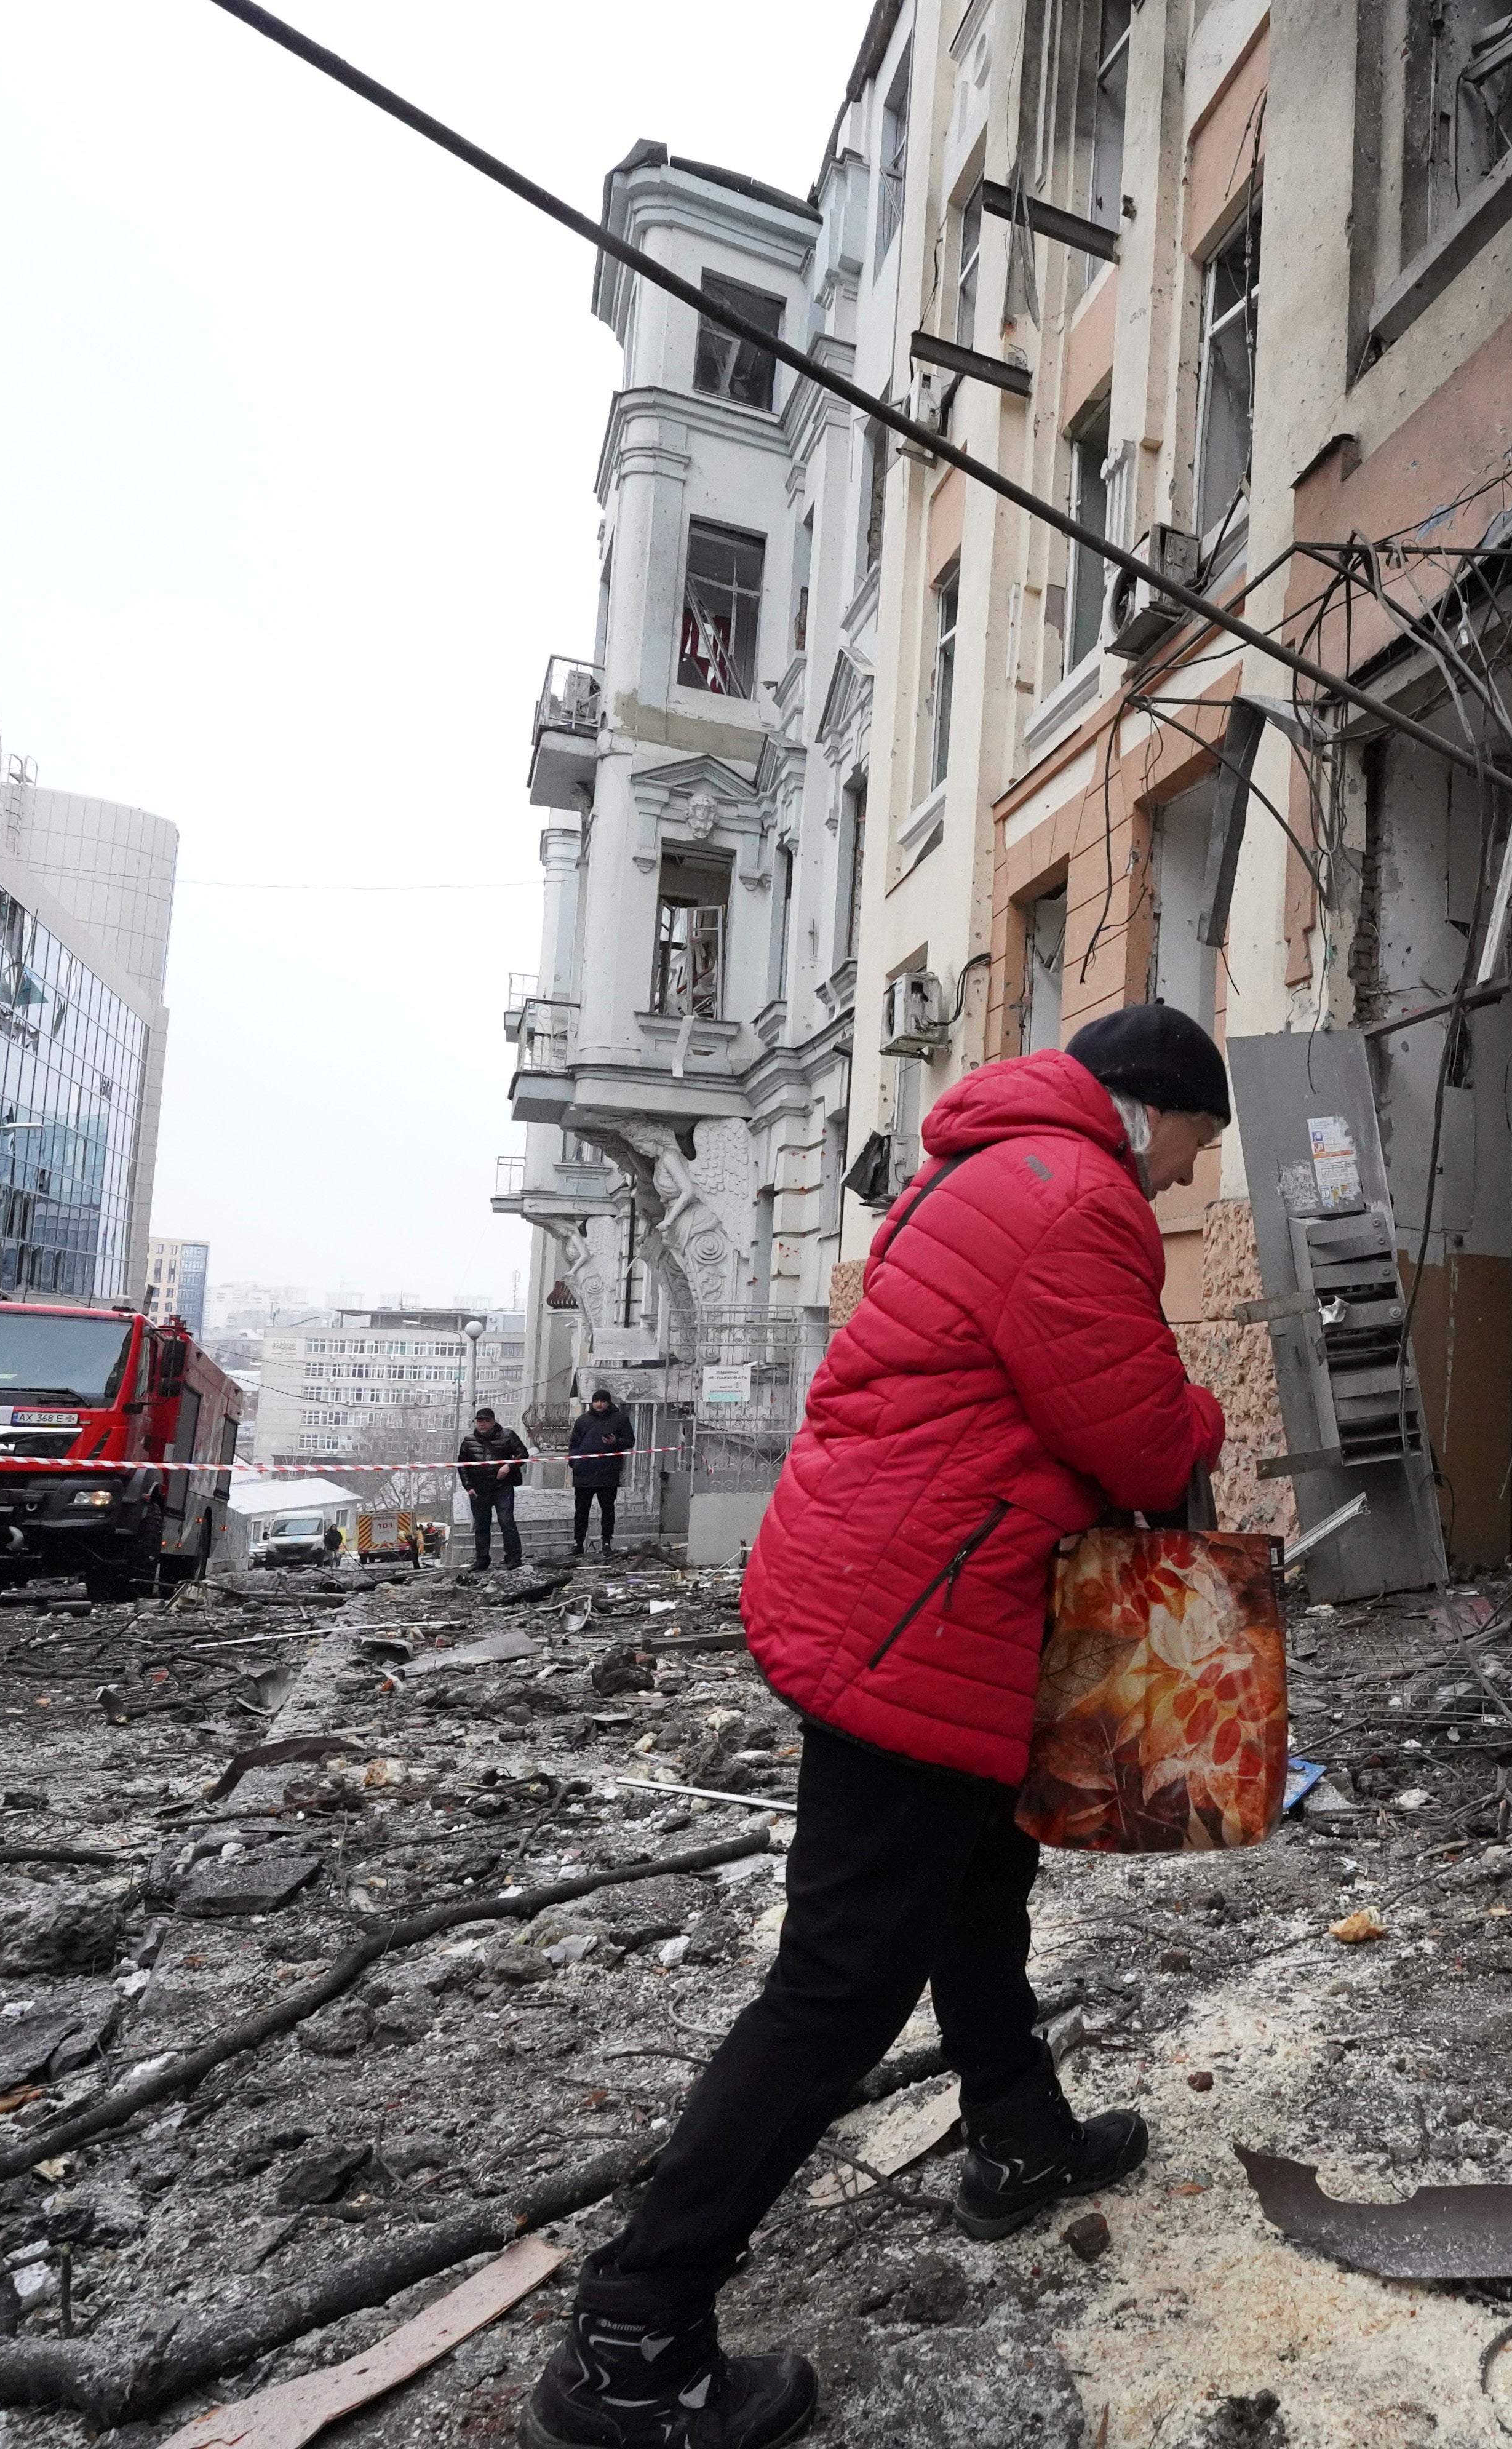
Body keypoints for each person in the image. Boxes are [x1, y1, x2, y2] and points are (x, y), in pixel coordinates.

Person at [522, 1004, 1232, 2449]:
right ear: (1150, 1110)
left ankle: (1021, 2140)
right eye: (1194, 1149)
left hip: (914, 1599)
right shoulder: (1074, 1194)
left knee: (983, 1885)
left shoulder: (991, 1169)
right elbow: (1144, 1434)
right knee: (841, 1986)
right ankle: (631, 2337)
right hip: (919, 1624)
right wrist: (1208, 1418)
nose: (1184, 1181)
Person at [455, 1407, 529, 1571]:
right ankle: (482, 1560)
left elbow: (523, 1454)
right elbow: (462, 1466)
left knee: (507, 1522)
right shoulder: (469, 1441)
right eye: (480, 1421)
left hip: (502, 1487)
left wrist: (509, 1466)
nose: (483, 1424)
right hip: (479, 1490)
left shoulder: (508, 1436)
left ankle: (513, 1558)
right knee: (481, 1526)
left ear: (493, 1422)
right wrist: (468, 1487)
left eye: (486, 1421)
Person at [566, 1388, 635, 1558]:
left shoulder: (620, 1419)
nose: (599, 1404)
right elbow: (574, 1443)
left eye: (602, 1401)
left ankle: (606, 1543)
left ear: (609, 1402)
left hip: (607, 1472)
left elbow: (630, 1441)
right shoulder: (583, 1420)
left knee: (608, 1510)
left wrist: (615, 1442)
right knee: (581, 1510)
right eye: (596, 1401)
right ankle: (578, 1543)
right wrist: (575, 1461)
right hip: (584, 1473)